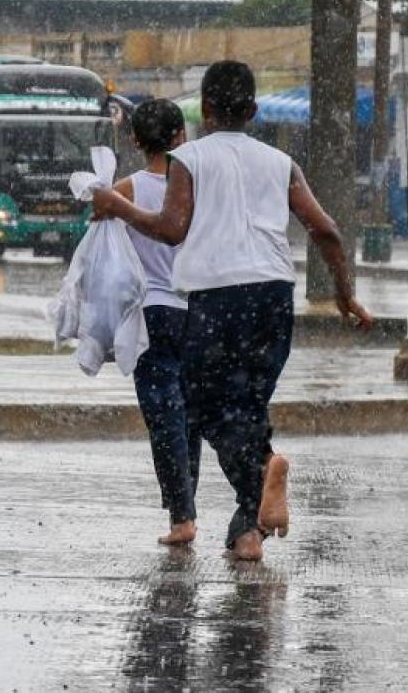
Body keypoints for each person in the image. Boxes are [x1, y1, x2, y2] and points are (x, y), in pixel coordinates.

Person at [94, 61, 372, 561]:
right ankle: (249, 531)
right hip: (273, 295)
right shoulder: (280, 162)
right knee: (248, 405)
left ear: (203, 110)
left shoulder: (190, 159)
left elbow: (172, 228)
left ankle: (265, 467)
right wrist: (344, 293)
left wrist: (119, 207)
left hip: (217, 295)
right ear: (254, 110)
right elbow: (326, 229)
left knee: (206, 409)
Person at [114, 99, 199, 546]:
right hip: (194, 309)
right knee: (188, 414)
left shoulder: (126, 189)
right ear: (180, 136)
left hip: (150, 313)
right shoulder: (196, 187)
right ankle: (187, 506)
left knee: (163, 416)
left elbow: (100, 231)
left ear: (134, 139)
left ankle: (182, 516)